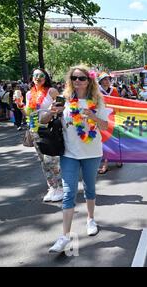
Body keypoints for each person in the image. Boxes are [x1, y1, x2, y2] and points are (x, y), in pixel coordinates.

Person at [45, 65, 109, 253]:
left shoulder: (97, 101)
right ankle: (65, 236)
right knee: (69, 192)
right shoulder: (64, 100)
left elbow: (105, 126)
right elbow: (43, 120)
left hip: (92, 152)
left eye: (82, 78)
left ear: (89, 81)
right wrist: (51, 112)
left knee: (89, 187)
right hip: (69, 153)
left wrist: (93, 116)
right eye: (74, 78)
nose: (77, 81)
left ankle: (90, 219)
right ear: (70, 80)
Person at [14, 69, 63, 202]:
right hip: (34, 130)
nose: (38, 78)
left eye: (41, 75)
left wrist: (54, 110)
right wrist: (20, 104)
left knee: (52, 160)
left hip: (49, 129)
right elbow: (28, 114)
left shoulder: (51, 91)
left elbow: (62, 105)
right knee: (43, 161)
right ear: (32, 78)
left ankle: (61, 187)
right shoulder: (29, 94)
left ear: (45, 78)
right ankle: (52, 187)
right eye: (35, 76)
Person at [97, 72, 122, 174]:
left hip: (113, 118)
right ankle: (105, 164)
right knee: (105, 141)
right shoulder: (97, 91)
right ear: (101, 81)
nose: (107, 81)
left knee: (115, 139)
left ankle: (118, 158)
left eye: (108, 79)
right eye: (104, 79)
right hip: (102, 119)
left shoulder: (114, 90)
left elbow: (119, 103)